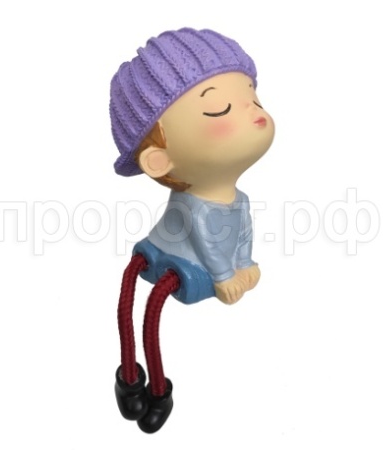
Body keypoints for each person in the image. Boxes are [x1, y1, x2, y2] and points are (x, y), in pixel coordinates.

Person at [109, 28, 275, 433]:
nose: (253, 111)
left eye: (252, 97)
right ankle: (139, 381)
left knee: (149, 305)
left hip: (213, 266)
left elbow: (241, 236)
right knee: (144, 302)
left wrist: (245, 263)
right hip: (173, 256)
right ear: (158, 160)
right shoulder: (196, 208)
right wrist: (225, 275)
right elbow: (209, 244)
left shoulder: (238, 200)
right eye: (220, 109)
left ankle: (141, 384)